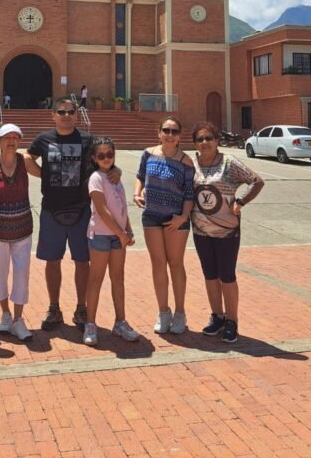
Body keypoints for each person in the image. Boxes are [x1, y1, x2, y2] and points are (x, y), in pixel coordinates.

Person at [25, 97, 121, 331]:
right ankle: (54, 308)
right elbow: (27, 156)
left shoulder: (87, 140)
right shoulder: (44, 139)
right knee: (52, 260)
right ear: (53, 115)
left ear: (76, 115)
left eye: (70, 112)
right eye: (61, 112)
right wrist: (43, 174)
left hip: (81, 210)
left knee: (82, 261)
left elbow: (104, 158)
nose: (66, 116)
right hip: (51, 209)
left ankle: (81, 308)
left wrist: (115, 168)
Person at [191, 121, 264, 344]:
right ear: (195, 143)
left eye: (209, 138)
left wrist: (240, 201)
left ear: (217, 141)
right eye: (200, 139)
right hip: (201, 230)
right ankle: (217, 317)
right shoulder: (191, 163)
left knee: (227, 276)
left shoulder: (229, 163)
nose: (205, 142)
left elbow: (257, 181)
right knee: (210, 275)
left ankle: (232, 320)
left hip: (226, 230)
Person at [133, 116, 195, 335]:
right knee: (158, 264)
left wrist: (182, 217)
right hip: (151, 216)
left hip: (176, 217)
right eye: (166, 131)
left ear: (180, 135)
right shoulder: (148, 153)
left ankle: (180, 313)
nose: (170, 135)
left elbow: (189, 193)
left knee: (176, 263)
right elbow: (140, 176)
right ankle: (163, 312)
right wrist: (137, 192)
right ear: (158, 132)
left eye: (174, 131)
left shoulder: (186, 161)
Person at [0, 123, 40, 341]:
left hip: (22, 226)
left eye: (16, 137)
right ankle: (5, 315)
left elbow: (48, 175)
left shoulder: (25, 162)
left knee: (21, 272)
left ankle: (18, 319)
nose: (11, 141)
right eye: (7, 137)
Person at [83, 137, 139, 346]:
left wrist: (129, 230)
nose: (106, 158)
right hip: (101, 235)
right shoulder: (96, 178)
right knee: (96, 279)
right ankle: (90, 324)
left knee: (118, 278)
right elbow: (101, 209)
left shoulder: (115, 177)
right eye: (101, 155)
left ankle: (120, 322)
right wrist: (120, 233)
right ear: (94, 158)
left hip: (118, 237)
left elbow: (122, 206)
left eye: (110, 154)